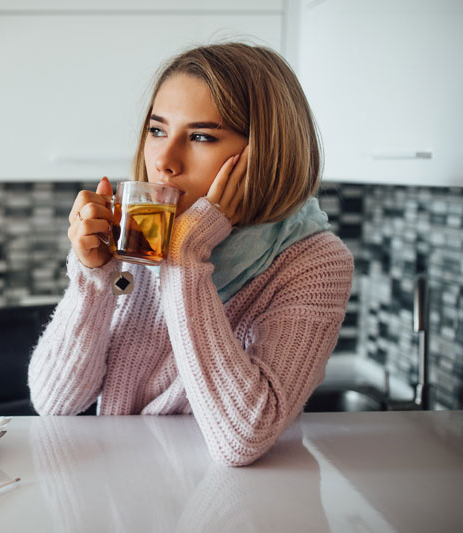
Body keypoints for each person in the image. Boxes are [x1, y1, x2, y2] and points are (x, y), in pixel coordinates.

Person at [27, 42, 354, 467]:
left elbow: (244, 438)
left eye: (201, 136)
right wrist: (95, 276)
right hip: (123, 491)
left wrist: (186, 257)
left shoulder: (314, 262)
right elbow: (55, 402)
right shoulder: (140, 231)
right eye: (157, 130)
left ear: (267, 152)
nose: (164, 160)